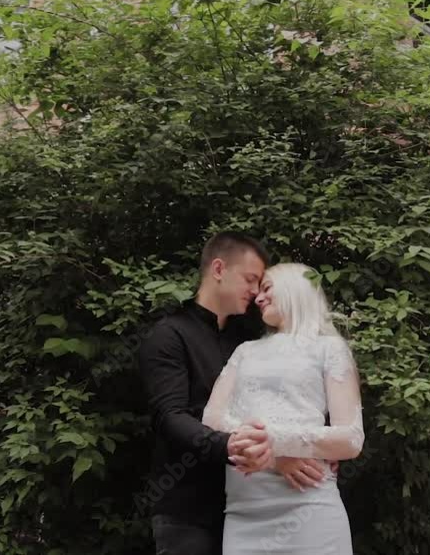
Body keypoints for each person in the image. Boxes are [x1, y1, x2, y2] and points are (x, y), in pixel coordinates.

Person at [140, 232, 329, 555]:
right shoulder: (169, 335)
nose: (256, 292)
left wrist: (312, 447)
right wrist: (238, 448)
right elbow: (170, 418)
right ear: (218, 269)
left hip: (256, 508)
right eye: (250, 279)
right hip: (189, 510)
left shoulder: (250, 340)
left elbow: (291, 400)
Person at [202, 262, 365, 555]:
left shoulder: (329, 348)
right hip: (244, 512)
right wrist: (270, 455)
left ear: (295, 287)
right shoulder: (245, 351)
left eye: (267, 288)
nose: (258, 298)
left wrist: (273, 440)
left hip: (309, 505)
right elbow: (211, 419)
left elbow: (351, 439)